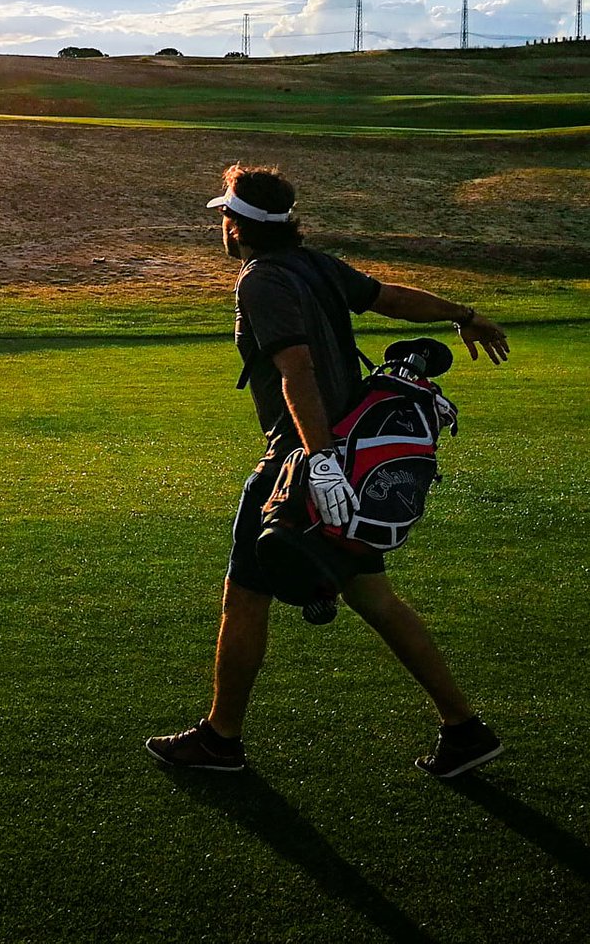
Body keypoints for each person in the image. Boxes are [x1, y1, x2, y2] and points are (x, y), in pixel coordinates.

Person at [146, 164, 510, 779]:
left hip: (300, 463)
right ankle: (465, 730)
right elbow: (386, 298)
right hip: (348, 454)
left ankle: (220, 740)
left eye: (225, 215)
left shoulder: (260, 279)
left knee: (245, 598)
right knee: (375, 596)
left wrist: (317, 462)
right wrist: (463, 313)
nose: (222, 225)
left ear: (241, 227)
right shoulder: (314, 263)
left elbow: (298, 372)